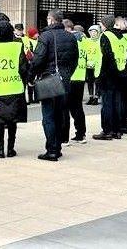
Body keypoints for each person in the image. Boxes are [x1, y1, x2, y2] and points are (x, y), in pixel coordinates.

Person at [30, 9, 79, 161]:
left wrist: (31, 77)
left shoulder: (46, 36)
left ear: (51, 20)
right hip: (65, 80)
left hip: (49, 79)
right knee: (60, 115)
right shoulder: (70, 37)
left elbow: (38, 60)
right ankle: (57, 147)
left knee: (49, 117)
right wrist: (67, 74)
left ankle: (52, 150)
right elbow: (75, 59)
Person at [0, 21, 29, 158]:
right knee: (13, 120)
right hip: (15, 87)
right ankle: (10, 149)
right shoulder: (17, 46)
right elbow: (23, 68)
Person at [92, 15, 124, 141]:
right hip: (118, 73)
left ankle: (107, 131)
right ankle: (116, 130)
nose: (100, 26)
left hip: (107, 74)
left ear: (105, 24)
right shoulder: (119, 36)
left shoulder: (105, 36)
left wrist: (101, 76)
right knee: (116, 103)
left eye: (101, 24)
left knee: (107, 104)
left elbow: (106, 56)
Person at [63, 25, 87, 144]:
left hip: (70, 78)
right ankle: (81, 134)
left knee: (65, 108)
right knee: (78, 108)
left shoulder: (70, 44)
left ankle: (64, 138)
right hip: (81, 78)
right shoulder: (84, 44)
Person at [85, 25, 101, 105]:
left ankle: (96, 97)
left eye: (95, 31)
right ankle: (91, 97)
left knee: (97, 82)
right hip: (88, 65)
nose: (93, 33)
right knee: (90, 82)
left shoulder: (100, 41)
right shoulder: (87, 41)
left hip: (97, 66)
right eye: (91, 31)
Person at [24, 27, 39, 103]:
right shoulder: (27, 41)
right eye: (36, 33)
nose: (38, 34)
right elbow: (27, 51)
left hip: (37, 63)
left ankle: (36, 98)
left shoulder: (39, 40)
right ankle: (30, 98)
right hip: (31, 64)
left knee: (36, 82)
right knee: (30, 81)